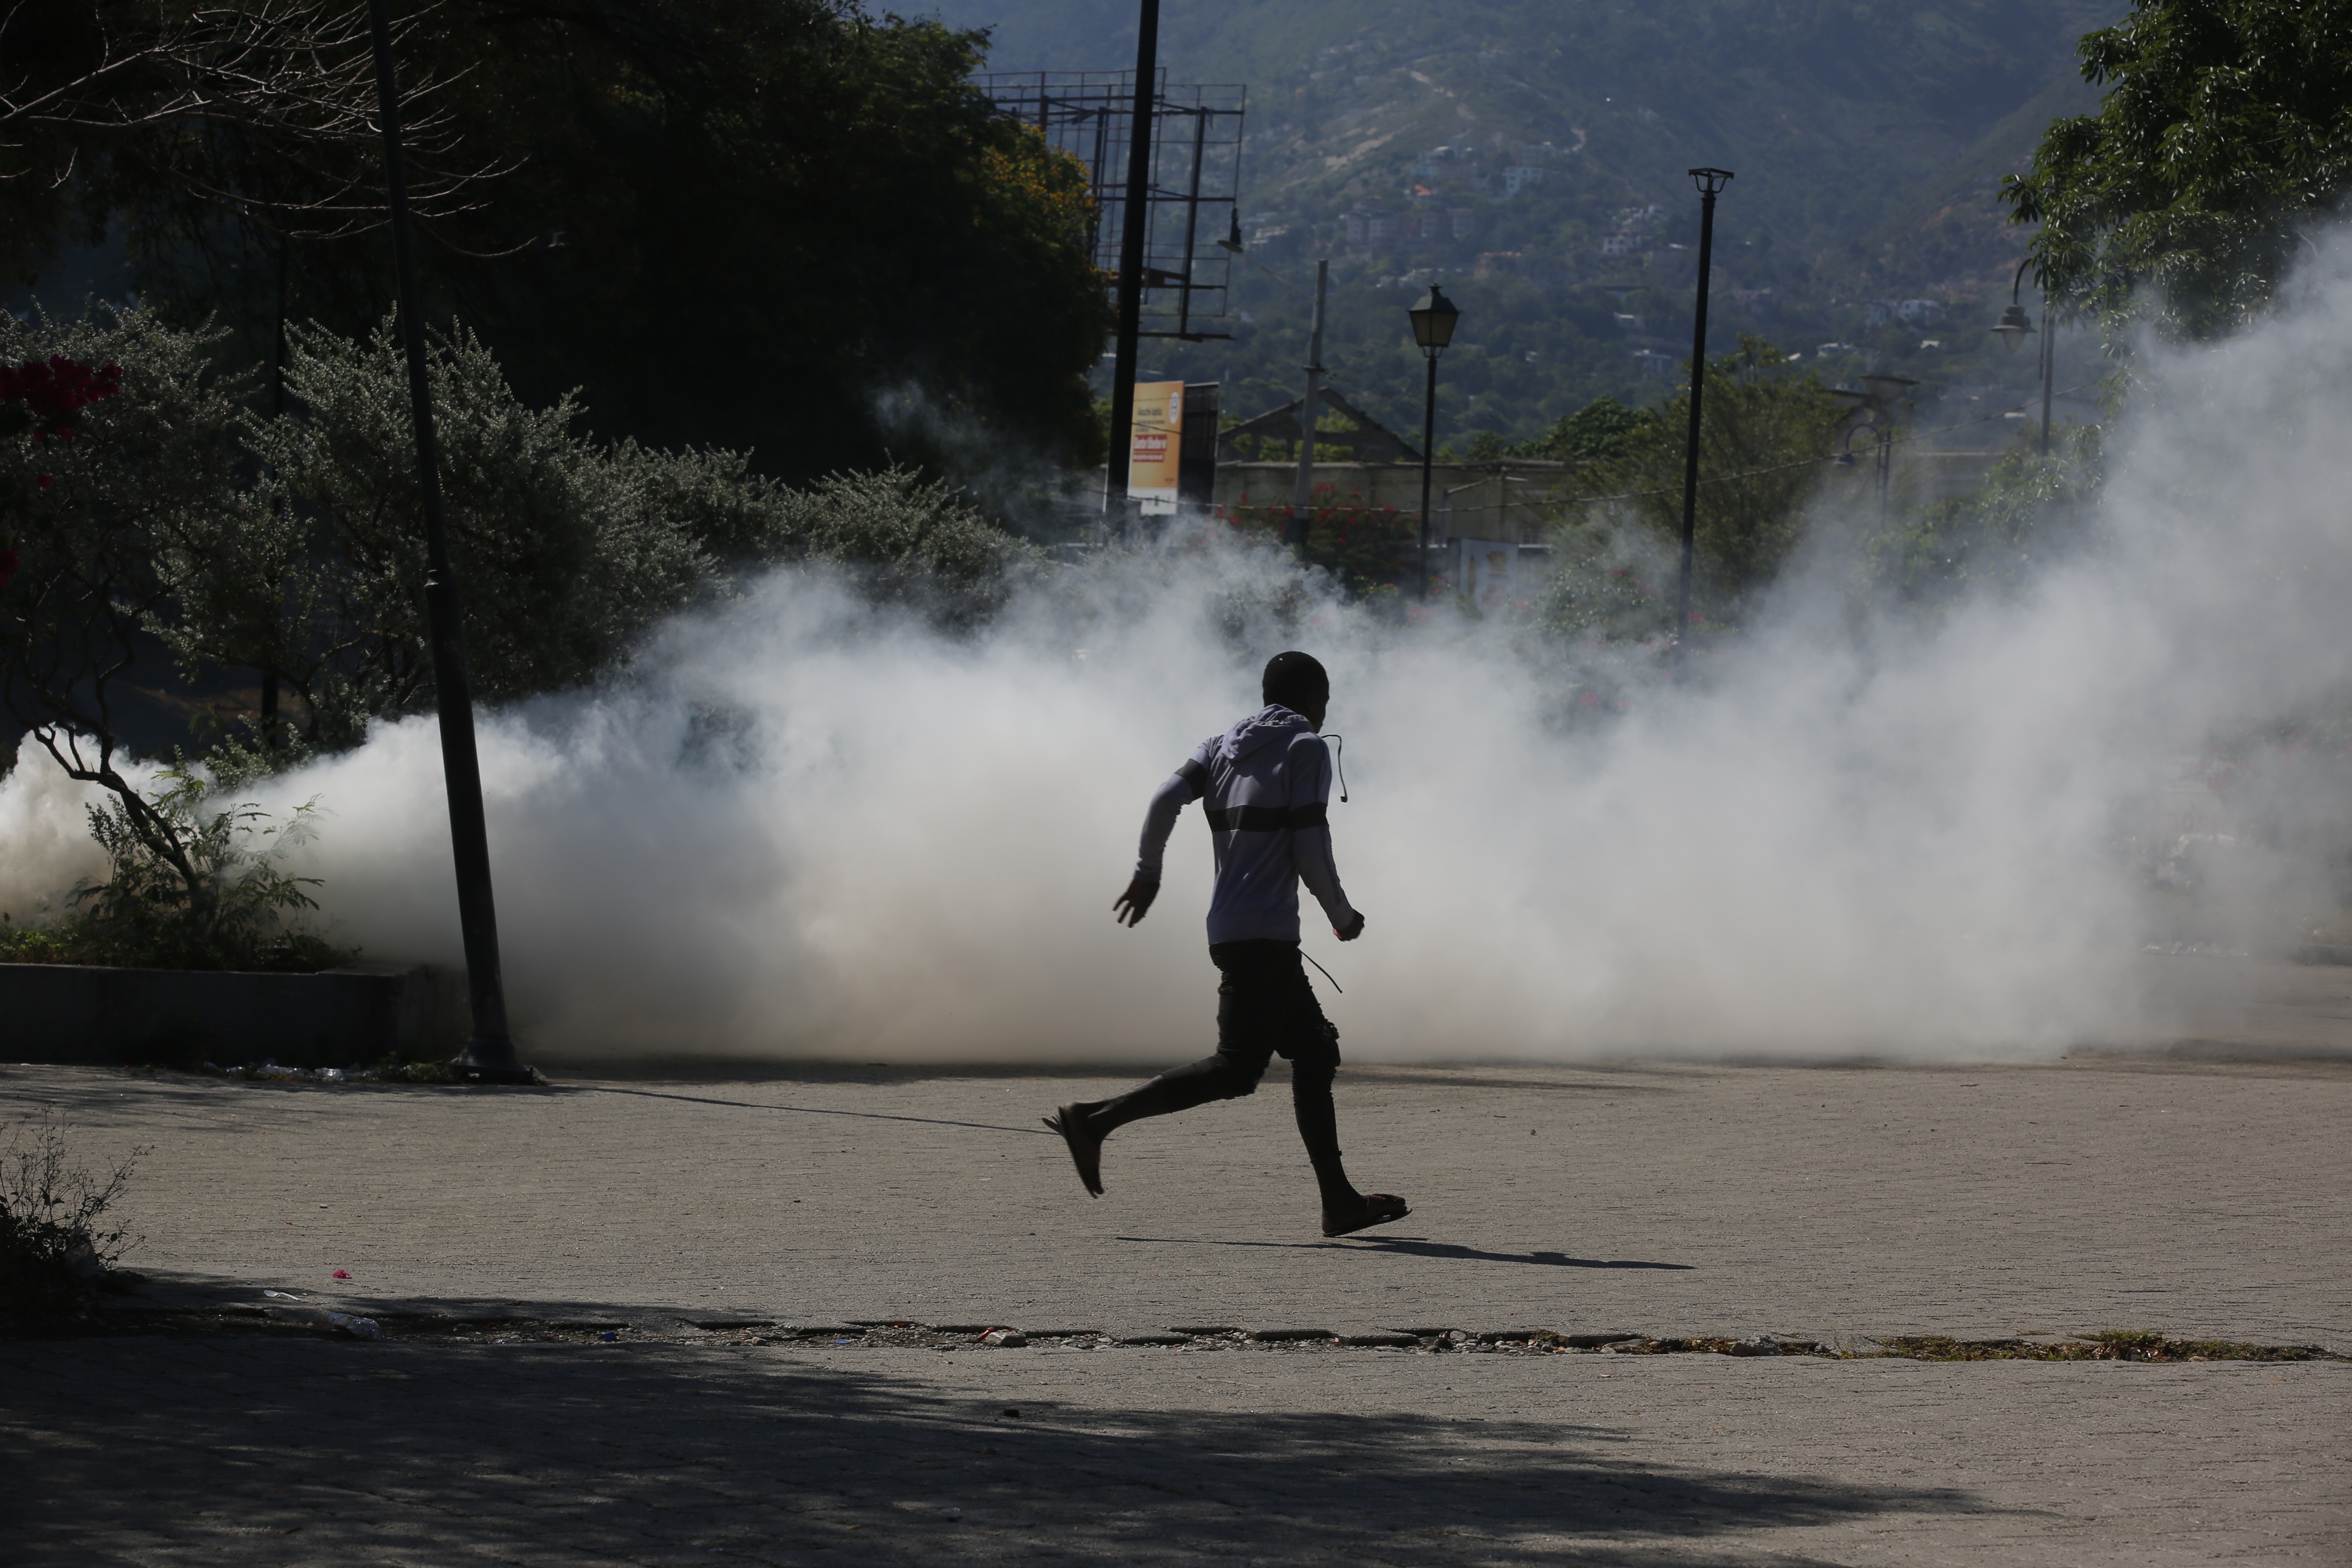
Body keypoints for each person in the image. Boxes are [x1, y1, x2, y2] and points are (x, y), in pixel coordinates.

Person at [1045, 650, 1410, 1238]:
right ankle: (1094, 1120)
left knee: (1315, 1050)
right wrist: (1342, 916)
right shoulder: (1307, 749)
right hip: (1264, 937)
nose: (1326, 711)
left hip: (1236, 930)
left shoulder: (1217, 746)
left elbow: (1165, 800)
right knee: (1237, 1068)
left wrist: (1148, 872)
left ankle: (1340, 1202)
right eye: (1326, 700)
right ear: (1314, 700)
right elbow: (1310, 846)